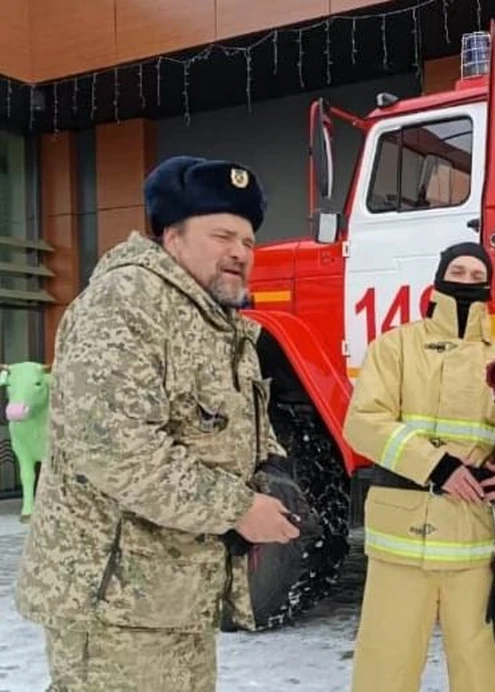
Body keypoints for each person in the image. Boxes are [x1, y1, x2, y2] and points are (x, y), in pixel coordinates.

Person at [15, 155, 300, 692]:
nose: (241, 252)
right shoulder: (125, 303)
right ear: (172, 237)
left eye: (249, 240)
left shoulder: (215, 322)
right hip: (115, 606)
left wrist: (267, 478)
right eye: (222, 235)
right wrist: (238, 508)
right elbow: (115, 447)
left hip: (173, 595)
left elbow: (226, 429)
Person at [343, 242, 495, 692]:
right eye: (458, 271)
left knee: (483, 668)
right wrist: (438, 467)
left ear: (489, 287)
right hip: (400, 538)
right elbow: (364, 423)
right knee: (384, 665)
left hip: (475, 538)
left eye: (477, 275)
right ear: (438, 279)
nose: (467, 281)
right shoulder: (395, 346)